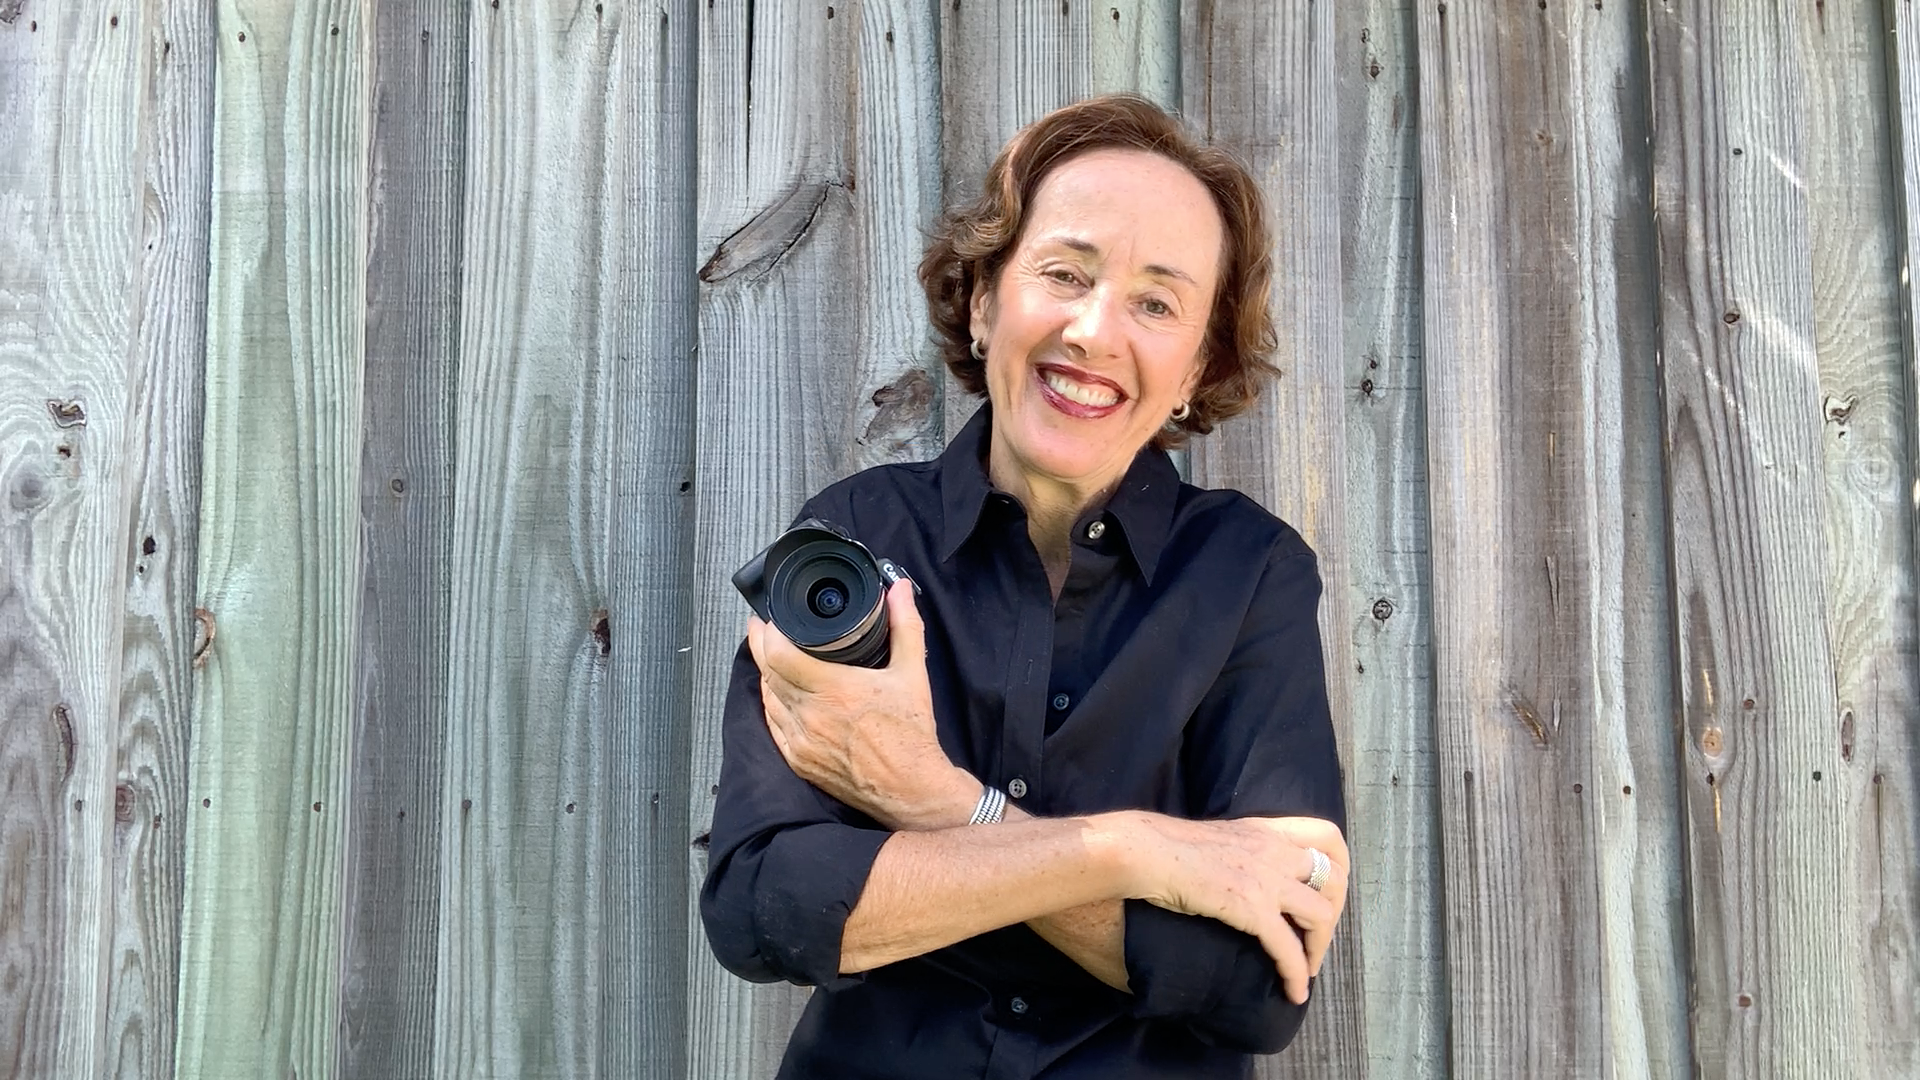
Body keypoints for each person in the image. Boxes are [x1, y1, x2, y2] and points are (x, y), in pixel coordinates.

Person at [700, 93, 1350, 1079]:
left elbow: (1254, 982)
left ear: (1196, 366)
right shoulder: (856, 536)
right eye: (1065, 273)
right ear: (982, 300)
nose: (1093, 331)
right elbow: (767, 907)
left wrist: (935, 801)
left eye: (1156, 303)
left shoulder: (1251, 573)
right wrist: (1129, 852)